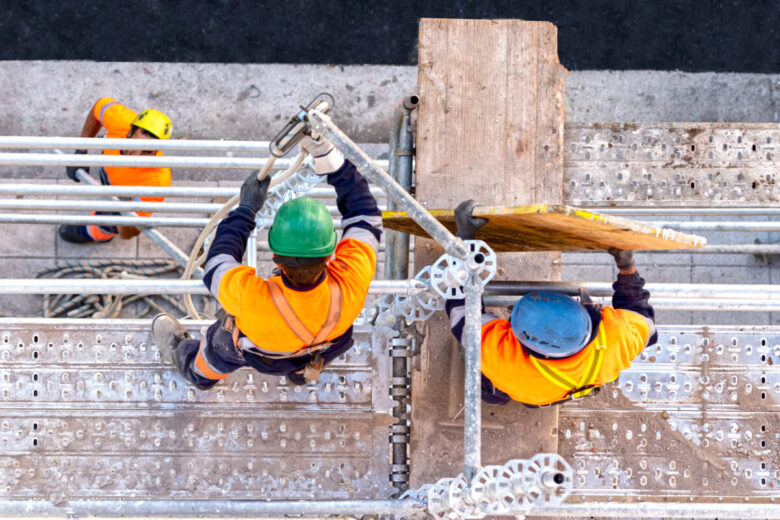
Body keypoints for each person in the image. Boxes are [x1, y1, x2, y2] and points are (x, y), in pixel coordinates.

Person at [151, 134, 382, 387]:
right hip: (320, 348)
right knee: (312, 354)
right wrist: (336, 166)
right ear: (330, 254)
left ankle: (198, 373)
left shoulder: (251, 299)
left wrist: (247, 209)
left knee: (219, 349)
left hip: (263, 354)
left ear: (276, 259)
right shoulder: (352, 281)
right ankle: (300, 376)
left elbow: (217, 261)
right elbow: (365, 216)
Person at [446, 200, 657, 407]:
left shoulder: (507, 365)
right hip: (548, 391)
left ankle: (497, 396)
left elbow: (461, 311)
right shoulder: (617, 337)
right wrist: (626, 264)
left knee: (493, 392)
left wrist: (464, 244)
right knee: (528, 395)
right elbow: (642, 317)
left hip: (531, 390)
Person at [58, 97, 173, 244]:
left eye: (147, 151)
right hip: (108, 178)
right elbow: (99, 107)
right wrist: (81, 150)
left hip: (120, 204)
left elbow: (129, 233)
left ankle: (91, 234)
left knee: (102, 225)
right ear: (130, 131)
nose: (138, 155)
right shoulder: (121, 121)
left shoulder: (157, 182)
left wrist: (121, 209)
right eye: (136, 146)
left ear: (156, 151)